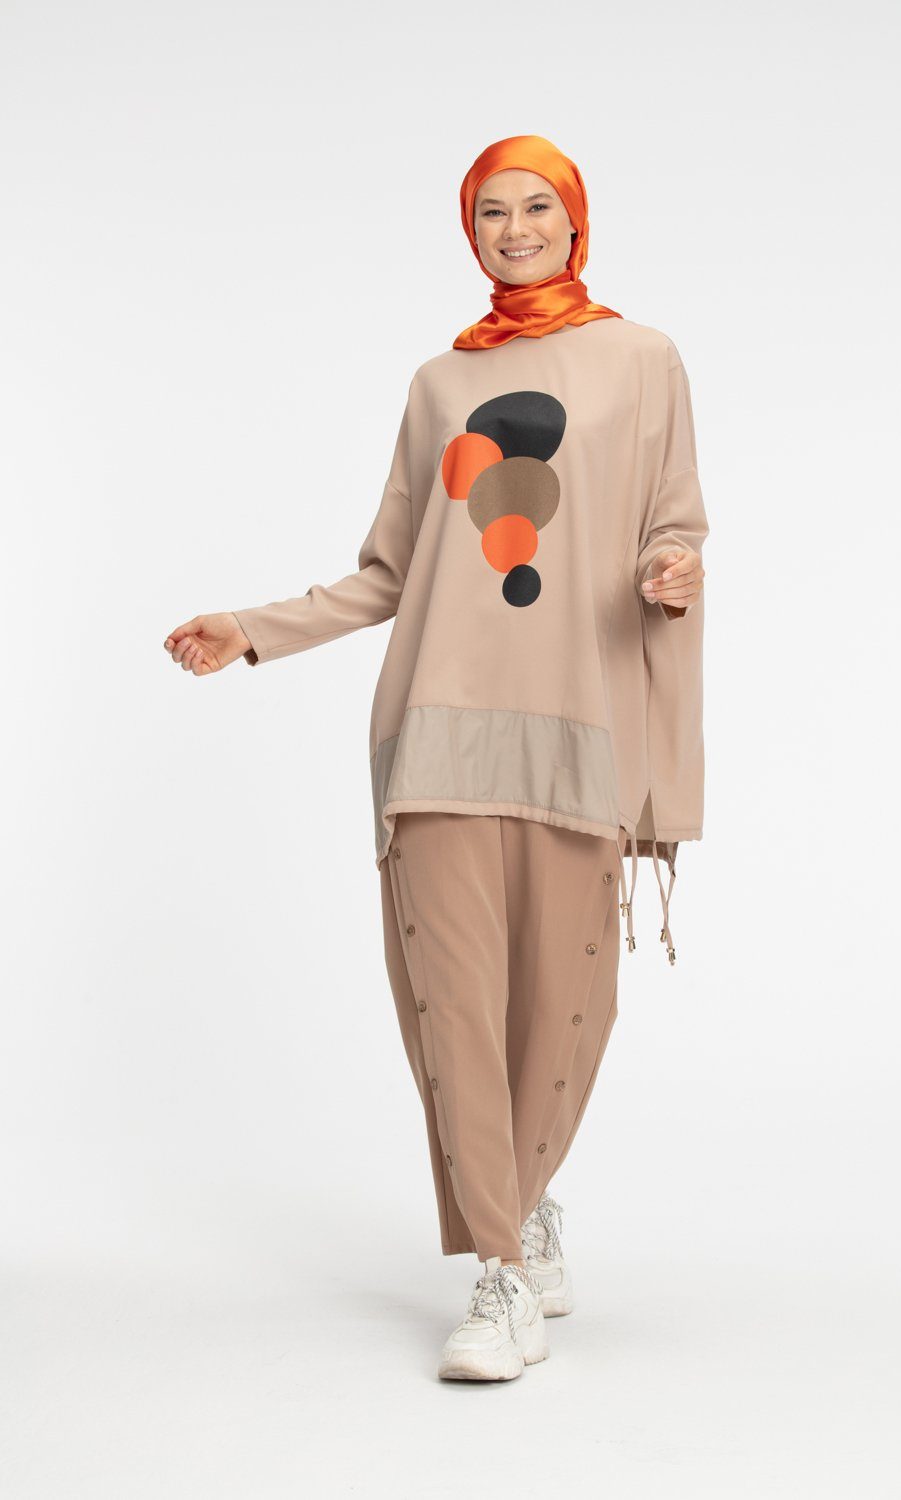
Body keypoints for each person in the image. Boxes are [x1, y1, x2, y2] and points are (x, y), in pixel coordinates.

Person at [163, 134, 708, 1383]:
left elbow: (671, 520)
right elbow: (390, 571)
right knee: (452, 1004)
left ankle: (528, 1199)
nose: (515, 229)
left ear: (575, 221)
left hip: (579, 729)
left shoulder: (643, 359)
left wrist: (671, 572)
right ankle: (503, 1273)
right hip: (439, 729)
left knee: (565, 1003)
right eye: (490, 212)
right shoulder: (439, 383)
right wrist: (253, 629)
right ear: (470, 232)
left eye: (536, 207)